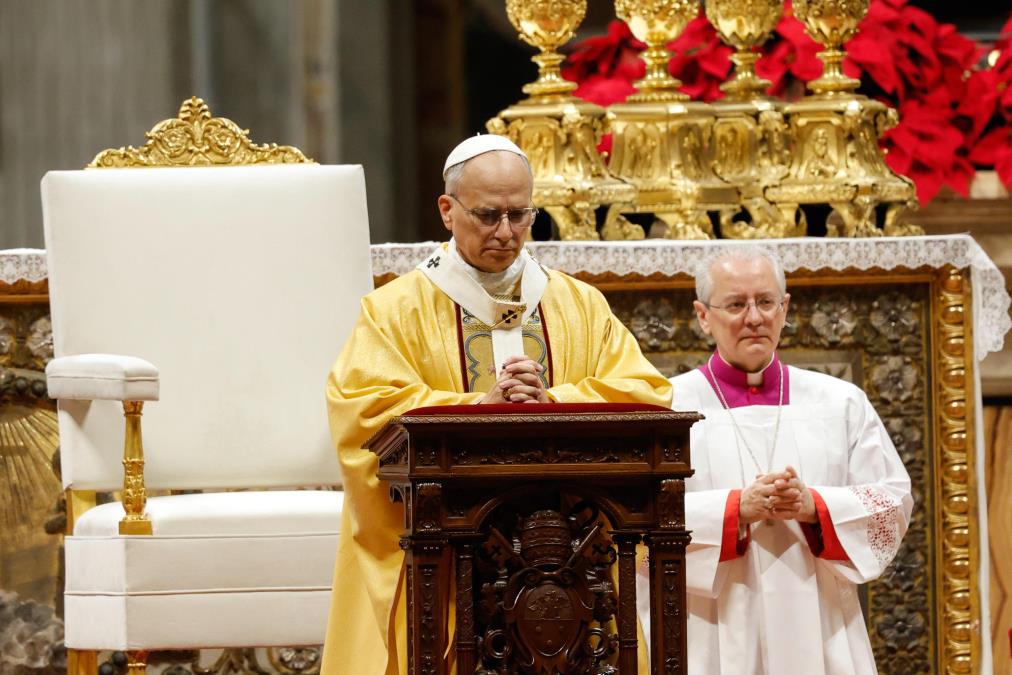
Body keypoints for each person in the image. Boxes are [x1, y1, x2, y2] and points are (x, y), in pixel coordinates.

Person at [321, 134, 672, 675]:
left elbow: (646, 393)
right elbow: (362, 409)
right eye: (488, 215)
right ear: (447, 210)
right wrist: (474, 408)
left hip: (568, 552)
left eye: (520, 215)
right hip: (449, 554)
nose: (506, 232)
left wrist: (554, 401)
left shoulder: (578, 305)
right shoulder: (395, 311)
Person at [646, 246, 912, 674]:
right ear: (703, 315)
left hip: (820, 623)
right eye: (736, 304)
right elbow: (636, 519)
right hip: (710, 627)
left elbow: (891, 504)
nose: (754, 317)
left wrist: (815, 507)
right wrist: (734, 510)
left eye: (766, 302)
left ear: (784, 308)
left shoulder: (840, 402)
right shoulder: (665, 407)